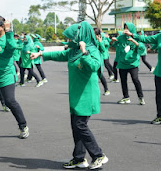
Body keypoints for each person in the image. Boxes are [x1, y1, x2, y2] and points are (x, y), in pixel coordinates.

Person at [30, 21, 108, 169]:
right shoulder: (73, 50)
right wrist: (40, 54)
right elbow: (60, 54)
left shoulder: (92, 49)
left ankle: (98, 155)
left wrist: (84, 51)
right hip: (76, 94)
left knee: (80, 125)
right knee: (76, 126)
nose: (68, 41)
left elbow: (94, 66)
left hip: (87, 95)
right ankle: (79, 158)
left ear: (80, 36)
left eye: (71, 38)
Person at [112, 23, 145, 105]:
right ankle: (126, 97)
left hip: (133, 63)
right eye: (125, 28)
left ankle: (141, 97)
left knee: (135, 79)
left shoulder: (136, 37)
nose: (126, 30)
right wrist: (113, 41)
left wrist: (133, 41)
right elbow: (114, 45)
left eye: (128, 28)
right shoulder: (121, 37)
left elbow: (141, 49)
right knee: (123, 81)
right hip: (122, 63)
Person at [94, 29, 110, 96]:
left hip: (98, 60)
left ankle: (106, 89)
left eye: (94, 33)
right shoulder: (91, 41)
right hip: (91, 60)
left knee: (100, 75)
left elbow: (103, 50)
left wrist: (100, 42)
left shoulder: (101, 41)